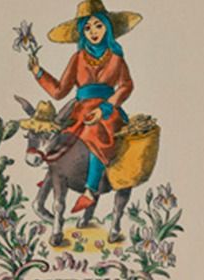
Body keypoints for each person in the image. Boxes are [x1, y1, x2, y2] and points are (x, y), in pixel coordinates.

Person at [28, 0, 142, 215]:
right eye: (87, 27)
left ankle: (90, 190)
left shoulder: (116, 57)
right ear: (82, 32)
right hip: (79, 110)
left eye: (98, 25)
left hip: (108, 112)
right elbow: (59, 91)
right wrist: (38, 73)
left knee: (94, 131)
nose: (93, 32)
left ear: (107, 27)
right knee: (57, 137)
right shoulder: (78, 57)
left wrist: (105, 108)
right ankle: (51, 180)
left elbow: (126, 86)